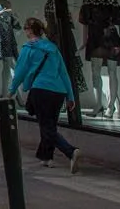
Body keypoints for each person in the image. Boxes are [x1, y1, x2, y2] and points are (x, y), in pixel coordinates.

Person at [10, 17, 81, 173]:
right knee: (50, 125)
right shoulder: (53, 48)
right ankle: (46, 156)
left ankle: (70, 151)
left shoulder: (28, 49)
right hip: (58, 92)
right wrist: (70, 96)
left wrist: (11, 91)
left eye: (25, 28)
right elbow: (63, 72)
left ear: (29, 30)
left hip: (41, 90)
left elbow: (20, 72)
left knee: (47, 127)